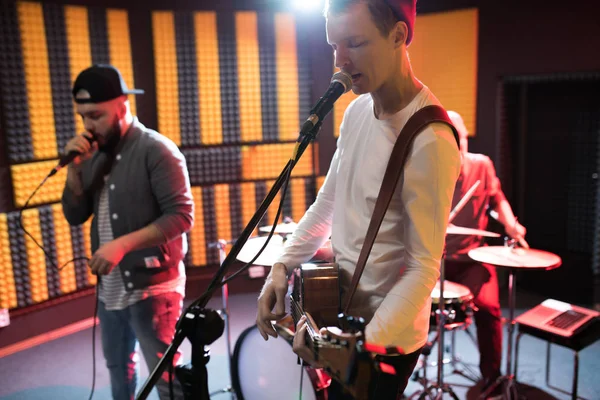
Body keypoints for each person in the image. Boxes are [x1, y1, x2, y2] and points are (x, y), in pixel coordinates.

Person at [255, 1, 461, 398]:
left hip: (384, 339)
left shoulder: (430, 139)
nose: (340, 61)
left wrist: (361, 345)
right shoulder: (355, 113)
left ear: (399, 36)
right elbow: (326, 206)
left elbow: (423, 267)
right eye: (334, 45)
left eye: (355, 43)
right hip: (338, 312)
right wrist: (282, 263)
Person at [61, 64, 194, 400]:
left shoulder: (157, 150)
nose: (88, 126)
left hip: (155, 290)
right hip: (111, 290)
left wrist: (121, 245)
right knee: (119, 372)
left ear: (122, 105)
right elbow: (76, 215)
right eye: (83, 118)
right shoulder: (93, 154)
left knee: (167, 378)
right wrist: (74, 172)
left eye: (96, 116)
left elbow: (181, 216)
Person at [444, 110, 528, 398]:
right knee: (408, 309)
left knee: (490, 307)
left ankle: (492, 378)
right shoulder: (427, 169)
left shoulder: (482, 165)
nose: (458, 146)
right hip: (436, 262)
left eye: (461, 139)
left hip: (474, 262)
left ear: (466, 138)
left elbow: (498, 199)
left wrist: (512, 225)